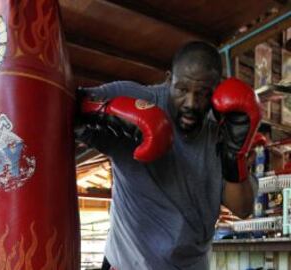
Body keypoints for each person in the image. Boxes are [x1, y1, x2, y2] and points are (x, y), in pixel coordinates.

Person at [76, 41, 260, 270]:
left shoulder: (223, 129)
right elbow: (67, 103)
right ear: (168, 79)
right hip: (126, 265)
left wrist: (234, 158)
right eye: (182, 90)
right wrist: (99, 113)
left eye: (202, 93)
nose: (191, 103)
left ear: (216, 88)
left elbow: (242, 209)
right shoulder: (139, 99)